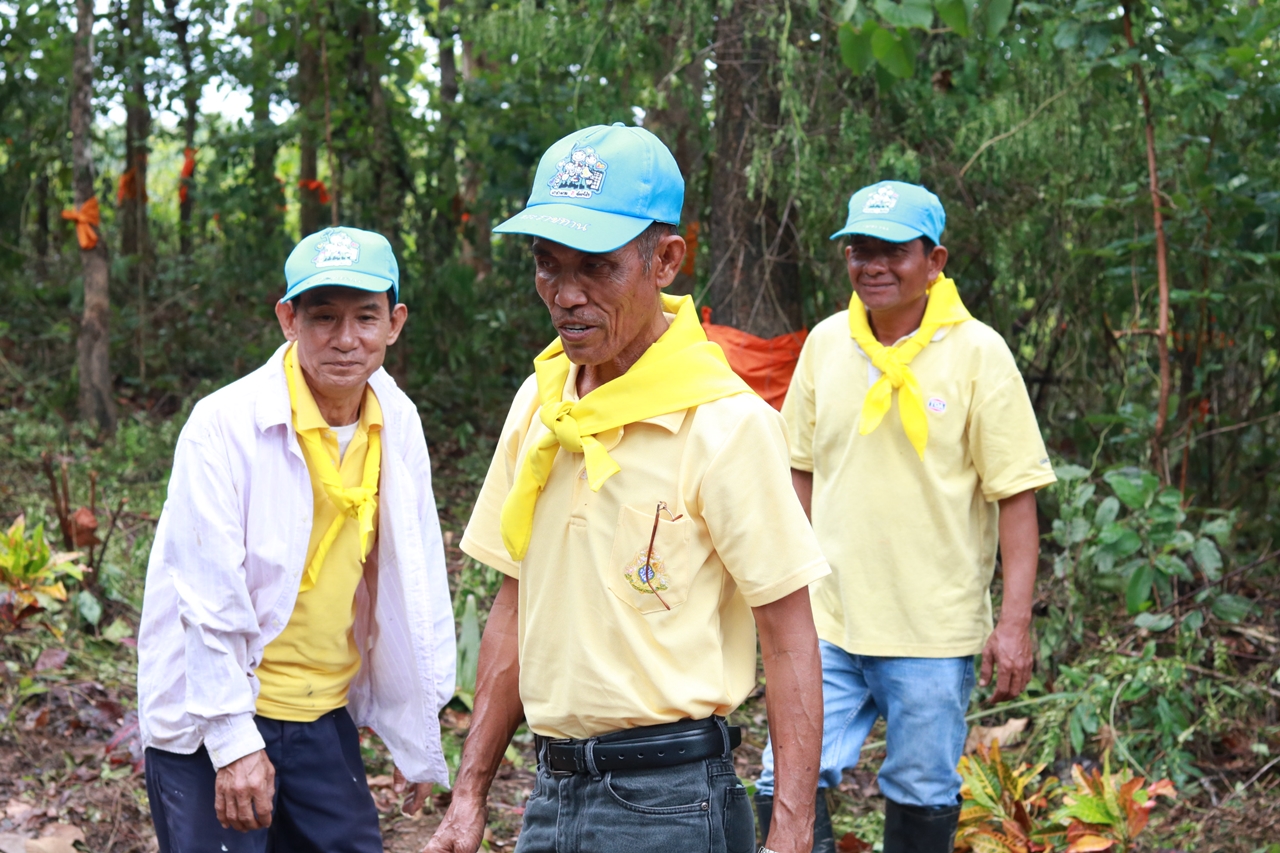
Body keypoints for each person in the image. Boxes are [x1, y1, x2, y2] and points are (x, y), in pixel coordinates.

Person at [425, 123, 830, 853]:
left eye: (597, 268)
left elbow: (789, 635)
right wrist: (469, 794)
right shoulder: (542, 405)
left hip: (672, 805)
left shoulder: (725, 424)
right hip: (551, 797)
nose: (566, 295)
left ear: (665, 260)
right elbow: (514, 605)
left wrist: (791, 833)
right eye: (547, 265)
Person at [755, 181, 1058, 853]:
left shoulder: (979, 354)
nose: (873, 265)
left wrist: (1013, 624)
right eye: (859, 250)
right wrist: (784, 590)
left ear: (934, 260)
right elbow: (798, 470)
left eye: (893, 251)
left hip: (932, 631)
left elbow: (1016, 495)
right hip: (828, 621)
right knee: (783, 782)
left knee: (923, 791)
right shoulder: (826, 344)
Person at [136, 226, 456, 852]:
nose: (346, 339)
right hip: (214, 718)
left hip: (321, 715)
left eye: (366, 317)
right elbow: (207, 596)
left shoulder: (397, 419)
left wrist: (414, 728)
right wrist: (233, 743)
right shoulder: (223, 425)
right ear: (289, 320)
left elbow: (417, 578)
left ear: (394, 324)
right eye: (323, 317)